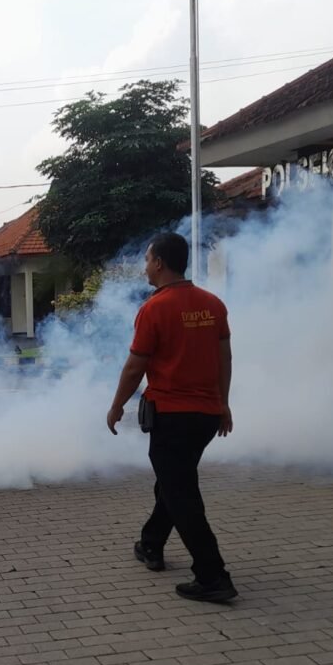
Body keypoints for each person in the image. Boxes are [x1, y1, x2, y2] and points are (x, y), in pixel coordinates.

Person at [106, 233, 237, 603]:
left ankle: (213, 576)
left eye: (147, 260)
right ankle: (151, 544)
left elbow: (135, 367)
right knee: (174, 481)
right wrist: (223, 403)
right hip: (206, 417)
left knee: (182, 494)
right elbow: (225, 358)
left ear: (160, 263)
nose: (145, 267)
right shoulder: (213, 304)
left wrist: (116, 405)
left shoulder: (155, 309)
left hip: (172, 417)